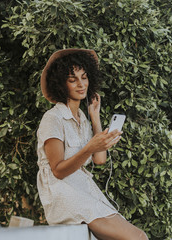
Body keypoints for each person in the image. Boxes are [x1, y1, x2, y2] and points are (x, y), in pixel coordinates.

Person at [36, 49, 148, 240]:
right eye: (73, 80)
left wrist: (95, 118)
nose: (81, 84)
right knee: (137, 238)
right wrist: (90, 147)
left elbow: (100, 159)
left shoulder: (82, 119)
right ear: (61, 85)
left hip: (83, 189)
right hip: (63, 192)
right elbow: (58, 170)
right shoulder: (53, 118)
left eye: (84, 77)